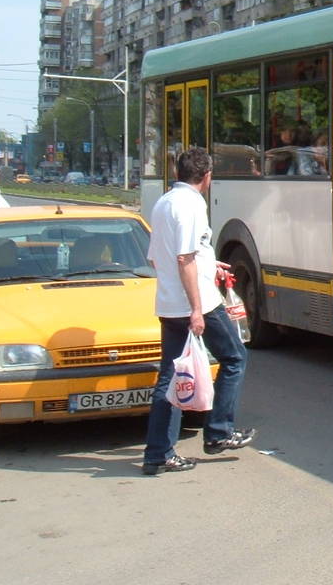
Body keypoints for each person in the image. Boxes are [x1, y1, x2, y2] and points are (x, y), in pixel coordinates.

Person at [142, 147, 255, 475]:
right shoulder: (191, 205)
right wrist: (195, 308)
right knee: (234, 358)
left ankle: (158, 454)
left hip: (169, 303)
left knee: (171, 376)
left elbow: (161, 257)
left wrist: (209, 264)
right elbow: (185, 258)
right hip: (199, 303)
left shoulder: (164, 202)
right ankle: (219, 431)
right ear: (206, 177)